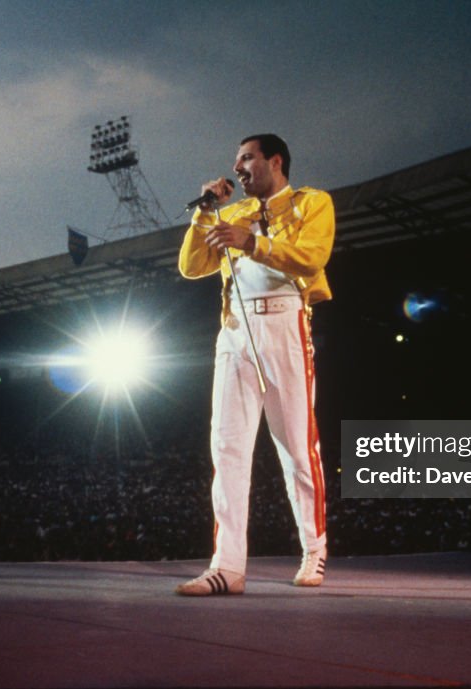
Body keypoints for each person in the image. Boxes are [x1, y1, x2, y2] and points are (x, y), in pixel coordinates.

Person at [175, 134, 335, 596]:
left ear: (275, 161)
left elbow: (313, 257)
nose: (238, 168)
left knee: (297, 449)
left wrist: (251, 243)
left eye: (246, 158)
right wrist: (204, 212)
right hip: (235, 330)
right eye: (235, 161)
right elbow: (191, 266)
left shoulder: (311, 203)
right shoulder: (230, 214)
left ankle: (314, 548)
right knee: (226, 449)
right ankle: (227, 567)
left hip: (285, 324)